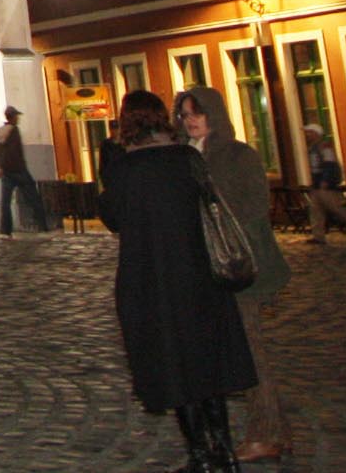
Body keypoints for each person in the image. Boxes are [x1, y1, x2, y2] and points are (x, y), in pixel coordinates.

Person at [99, 90, 253, 473]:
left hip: (151, 281)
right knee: (208, 368)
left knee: (174, 367)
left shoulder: (125, 167)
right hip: (201, 277)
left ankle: (200, 454)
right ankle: (225, 453)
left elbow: (113, 217)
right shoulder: (187, 157)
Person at [177, 86, 290, 464]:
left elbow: (255, 206)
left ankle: (266, 434)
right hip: (205, 270)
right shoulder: (183, 156)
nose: (191, 120)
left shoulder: (238, 155)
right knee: (231, 352)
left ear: (215, 114)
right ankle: (273, 431)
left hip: (240, 267)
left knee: (249, 351)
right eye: (185, 114)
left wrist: (213, 211)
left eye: (198, 113)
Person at [298, 124, 346, 242]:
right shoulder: (313, 148)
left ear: (316, 134)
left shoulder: (324, 147)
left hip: (325, 185)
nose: (307, 135)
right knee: (315, 210)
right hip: (317, 184)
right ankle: (318, 236)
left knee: (336, 209)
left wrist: (326, 180)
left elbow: (330, 164)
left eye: (309, 132)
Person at [0, 105, 49, 236]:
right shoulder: (14, 131)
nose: (18, 118)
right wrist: (16, 166)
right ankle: (42, 226)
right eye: (16, 116)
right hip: (19, 170)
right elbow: (14, 152)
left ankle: (5, 231)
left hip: (6, 172)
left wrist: (1, 167)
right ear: (12, 117)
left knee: (5, 202)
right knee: (34, 198)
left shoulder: (0, 131)